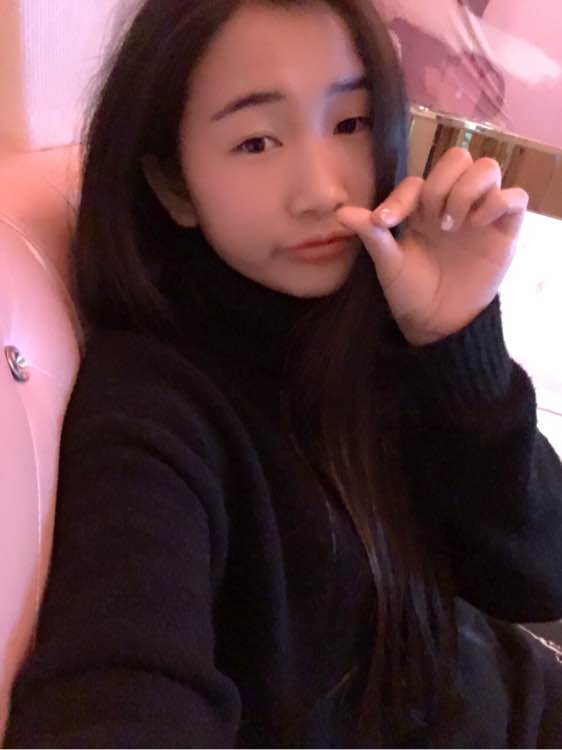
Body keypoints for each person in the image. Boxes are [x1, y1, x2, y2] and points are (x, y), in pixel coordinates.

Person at [4, 0, 562, 746]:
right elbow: (117, 687)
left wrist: (454, 341)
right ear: (174, 186)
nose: (323, 190)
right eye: (257, 141)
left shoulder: (381, 311)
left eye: (351, 123)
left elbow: (539, 575)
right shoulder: (154, 408)